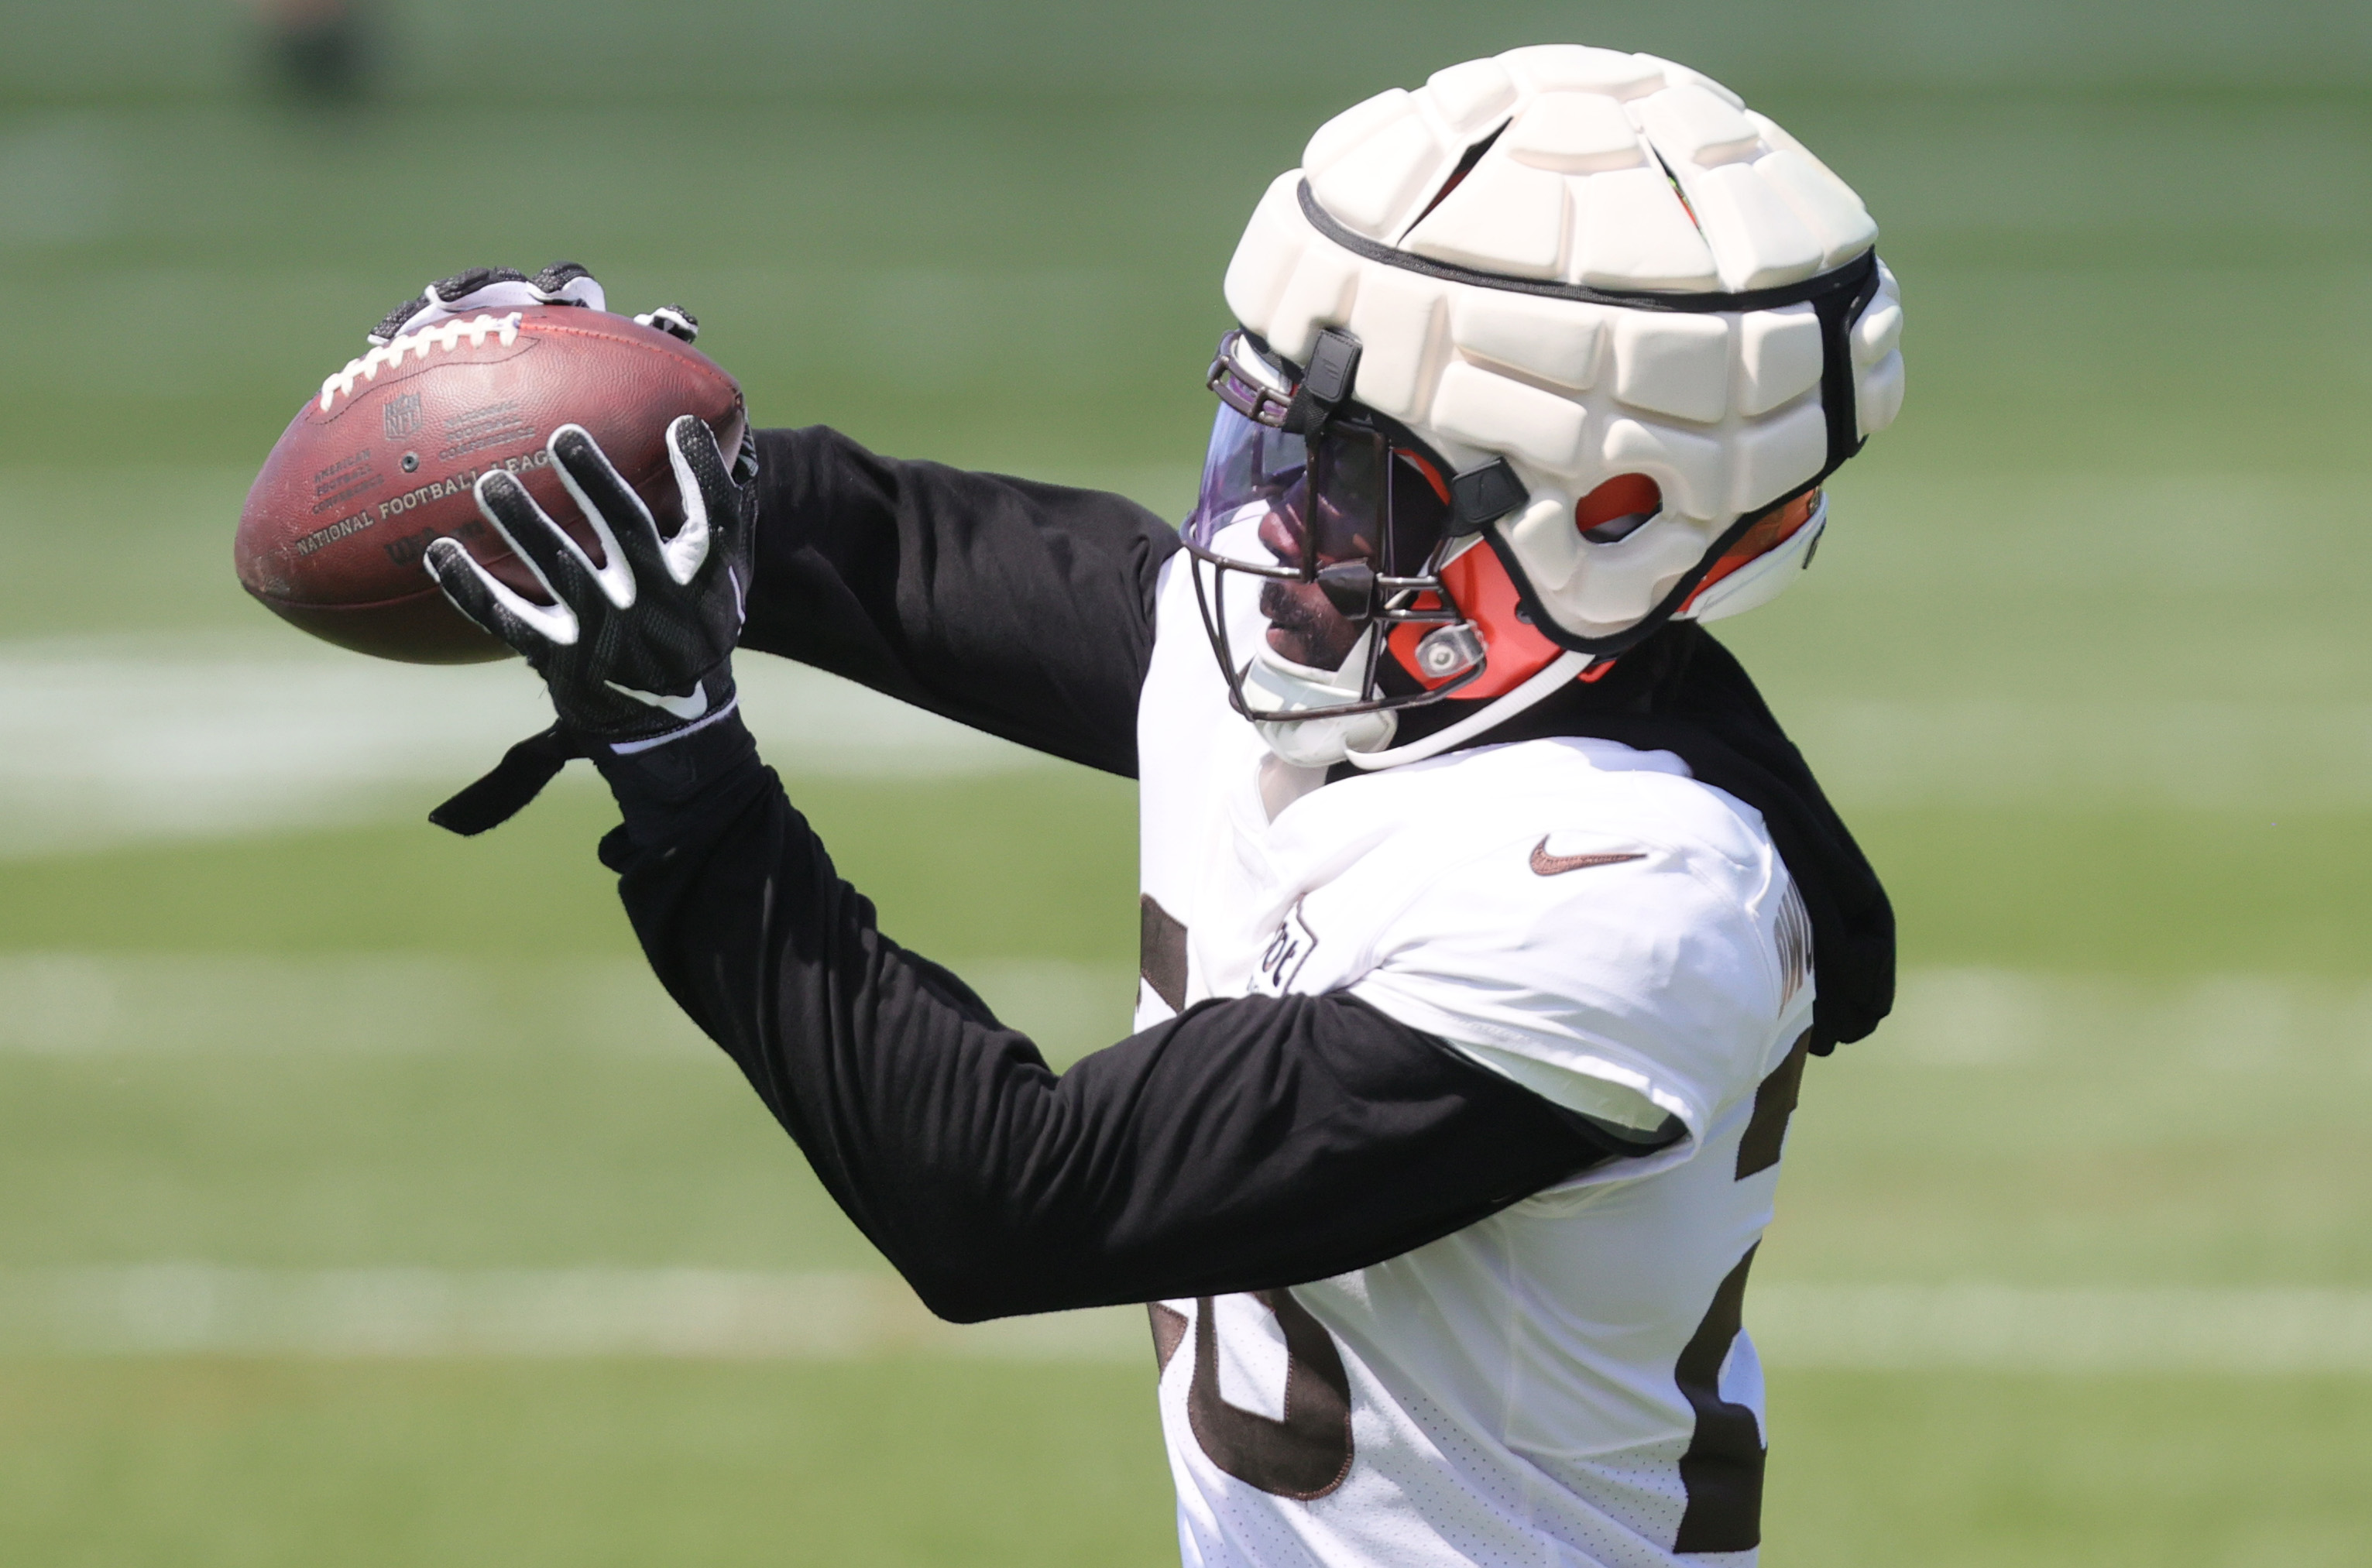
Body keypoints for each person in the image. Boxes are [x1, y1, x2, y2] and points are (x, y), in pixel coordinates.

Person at [407, 43, 1903, 1567]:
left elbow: (1003, 1198)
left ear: (1609, 515)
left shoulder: (1623, 896)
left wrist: (686, 777)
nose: (1284, 519)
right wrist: (617, 449)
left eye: (1357, 472)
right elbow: (914, 557)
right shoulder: (1390, 651)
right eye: (1283, 433)